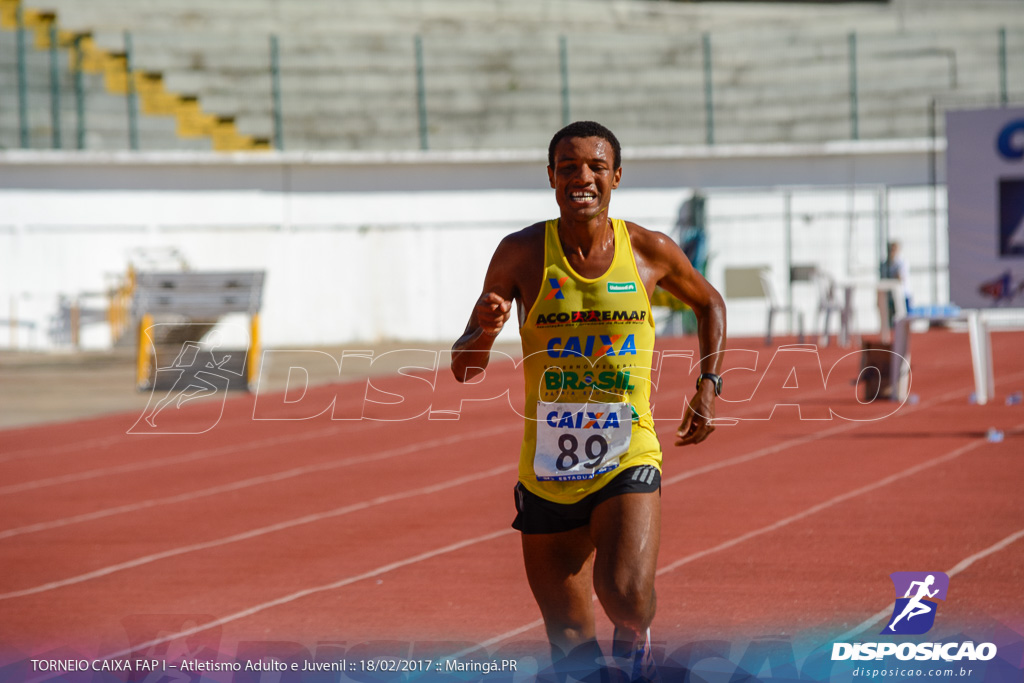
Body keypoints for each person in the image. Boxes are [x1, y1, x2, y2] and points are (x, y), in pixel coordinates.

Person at [451, 121, 726, 681]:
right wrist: (483, 329)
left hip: (628, 453)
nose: (583, 177)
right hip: (547, 469)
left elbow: (710, 304)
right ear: (551, 177)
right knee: (571, 644)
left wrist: (708, 385)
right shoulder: (521, 253)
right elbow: (463, 368)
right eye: (569, 166)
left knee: (625, 596)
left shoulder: (649, 250)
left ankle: (636, 635)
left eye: (596, 167)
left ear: (616, 177)